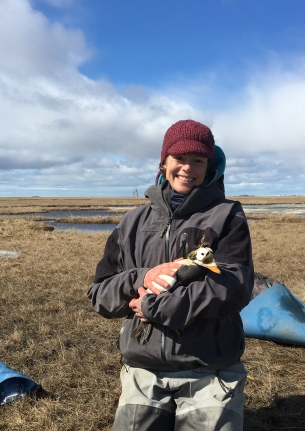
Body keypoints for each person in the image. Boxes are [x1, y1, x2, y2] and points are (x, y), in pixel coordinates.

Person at [88, 119, 254, 430]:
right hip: (144, 370)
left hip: (208, 368)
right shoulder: (131, 223)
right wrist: (142, 277)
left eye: (198, 160)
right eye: (180, 158)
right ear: (164, 161)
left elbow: (234, 286)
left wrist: (151, 307)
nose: (187, 168)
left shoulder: (227, 216)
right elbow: (99, 295)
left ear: (210, 166)